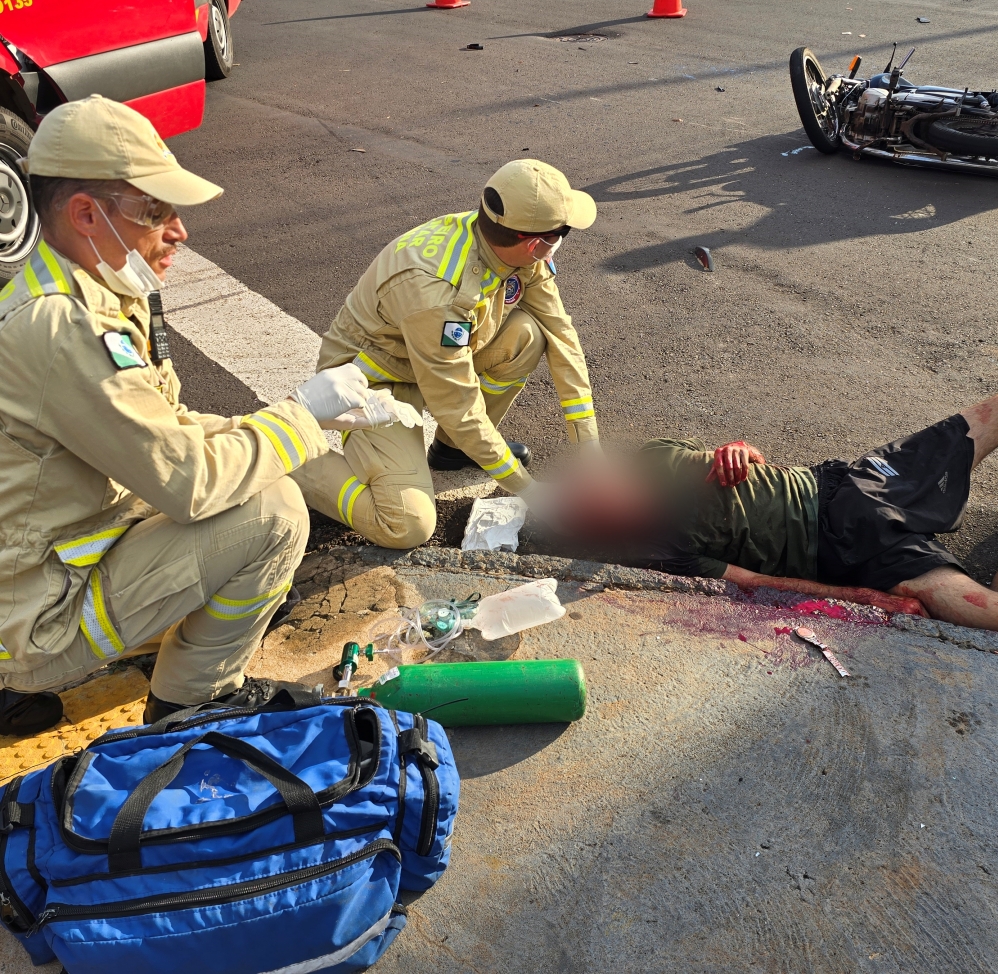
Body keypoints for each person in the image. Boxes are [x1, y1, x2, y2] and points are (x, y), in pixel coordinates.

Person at [0, 95, 377, 732]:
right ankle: (190, 702)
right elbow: (191, 483)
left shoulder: (82, 290)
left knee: (245, 488)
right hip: (40, 614)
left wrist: (275, 424)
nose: (178, 231)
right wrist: (303, 419)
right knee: (274, 515)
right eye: (155, 211)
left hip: (35, 568)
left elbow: (165, 424)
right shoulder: (64, 326)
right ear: (87, 214)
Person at [547, 394, 998, 643]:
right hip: (848, 554)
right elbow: (755, 584)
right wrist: (867, 600)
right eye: (597, 517)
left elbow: (744, 453)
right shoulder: (653, 551)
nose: (609, 507)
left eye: (601, 493)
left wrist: (738, 447)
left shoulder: (655, 456)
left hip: (846, 488)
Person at [295, 158, 600, 547]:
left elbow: (561, 333)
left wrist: (590, 450)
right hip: (372, 382)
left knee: (527, 335)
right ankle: (291, 457)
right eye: (562, 234)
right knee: (406, 525)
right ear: (534, 242)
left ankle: (454, 451)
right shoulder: (435, 293)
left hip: (434, 359)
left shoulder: (503, 241)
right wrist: (529, 490)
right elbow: (458, 404)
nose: (559, 244)